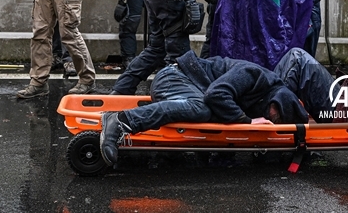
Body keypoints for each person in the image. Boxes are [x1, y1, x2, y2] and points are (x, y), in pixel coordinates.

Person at [99, 50, 311, 166]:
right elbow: (215, 95)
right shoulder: (253, 74)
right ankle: (121, 121)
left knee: (206, 109)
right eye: (276, 118)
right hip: (175, 77)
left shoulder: (264, 99)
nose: (272, 122)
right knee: (203, 109)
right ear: (277, 102)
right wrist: (247, 121)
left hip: (187, 84)